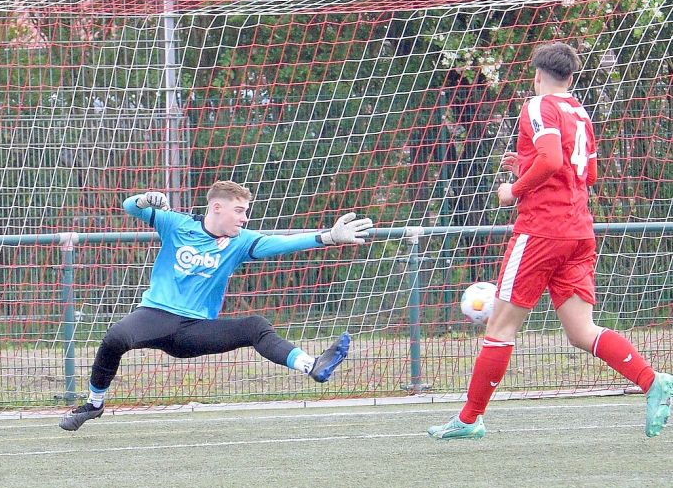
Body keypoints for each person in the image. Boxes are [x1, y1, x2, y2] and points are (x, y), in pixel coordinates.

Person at [428, 42, 673, 440]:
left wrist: (515, 189)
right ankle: (651, 381)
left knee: (500, 328)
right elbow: (587, 174)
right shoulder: (580, 112)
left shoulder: (537, 106)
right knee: (581, 331)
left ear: (538, 74)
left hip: (542, 230)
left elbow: (552, 161)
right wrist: (528, 163)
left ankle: (469, 419)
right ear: (571, 76)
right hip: (579, 230)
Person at [59, 180, 373, 431]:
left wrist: (329, 237)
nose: (244, 217)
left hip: (195, 331)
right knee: (115, 337)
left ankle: (312, 365)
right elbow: (130, 207)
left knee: (254, 326)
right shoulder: (177, 225)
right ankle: (94, 405)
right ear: (217, 207)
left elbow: (282, 244)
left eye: (245, 211)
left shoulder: (241, 241)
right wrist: (144, 200)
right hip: (155, 315)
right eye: (239, 210)